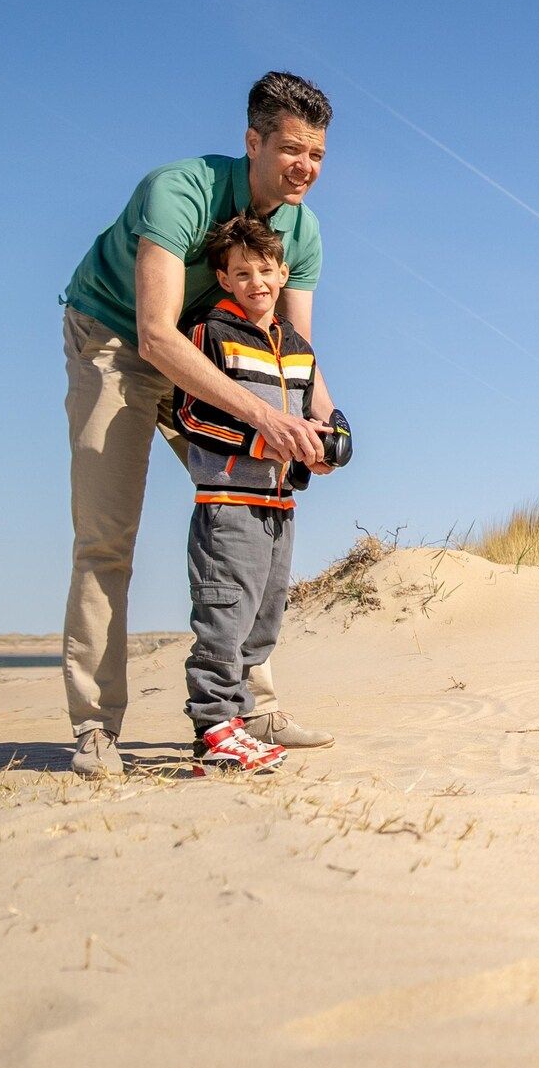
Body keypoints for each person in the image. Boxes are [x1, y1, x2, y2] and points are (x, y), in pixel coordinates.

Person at [61, 72, 338, 776]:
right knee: (107, 536)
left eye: (318, 154)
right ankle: (96, 727)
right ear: (253, 141)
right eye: (290, 149)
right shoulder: (179, 190)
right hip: (118, 341)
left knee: (253, 510)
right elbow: (155, 336)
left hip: (209, 352)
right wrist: (261, 418)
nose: (304, 166)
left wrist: (324, 420)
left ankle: (253, 705)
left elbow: (293, 355)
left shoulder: (301, 230)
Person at [173, 216, 331, 772]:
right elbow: (190, 413)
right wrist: (258, 442)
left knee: (264, 618)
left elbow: (313, 415)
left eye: (266, 270)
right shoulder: (211, 332)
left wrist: (327, 448)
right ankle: (214, 731)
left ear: (284, 273)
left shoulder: (298, 349)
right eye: (242, 272)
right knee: (225, 615)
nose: (256, 281)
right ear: (223, 277)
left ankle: (245, 720)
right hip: (227, 503)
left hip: (280, 507)